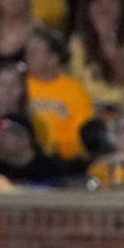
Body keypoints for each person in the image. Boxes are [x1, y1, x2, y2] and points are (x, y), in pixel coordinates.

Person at [26, 26, 94, 161]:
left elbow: (82, 139)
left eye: (34, 53)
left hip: (62, 162)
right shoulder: (18, 85)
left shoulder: (75, 92)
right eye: (27, 52)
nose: (27, 57)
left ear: (53, 58)